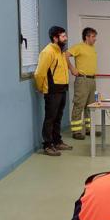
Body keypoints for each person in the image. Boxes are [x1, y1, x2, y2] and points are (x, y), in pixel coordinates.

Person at [34, 26, 72, 157]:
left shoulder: (61, 52)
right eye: (63, 36)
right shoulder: (48, 51)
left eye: (65, 35)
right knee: (50, 118)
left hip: (62, 88)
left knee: (58, 117)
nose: (65, 38)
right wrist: (41, 87)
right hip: (52, 90)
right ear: (55, 38)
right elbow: (39, 73)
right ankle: (47, 145)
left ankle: (57, 141)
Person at [65, 27, 98, 140]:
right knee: (79, 105)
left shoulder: (92, 48)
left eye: (95, 37)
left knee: (90, 106)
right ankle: (76, 131)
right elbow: (65, 55)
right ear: (86, 37)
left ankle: (89, 129)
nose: (95, 39)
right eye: (93, 36)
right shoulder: (79, 47)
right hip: (82, 80)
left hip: (92, 80)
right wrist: (72, 68)